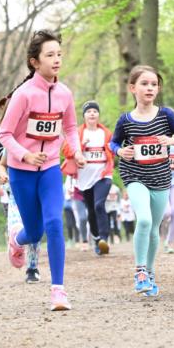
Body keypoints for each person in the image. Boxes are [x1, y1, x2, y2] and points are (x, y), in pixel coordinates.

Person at [0, 30, 84, 311]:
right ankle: (16, 239)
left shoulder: (64, 93)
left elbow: (70, 127)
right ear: (35, 62)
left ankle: (58, 291)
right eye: (50, 55)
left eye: (59, 54)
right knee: (33, 233)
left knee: (54, 224)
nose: (57, 59)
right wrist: (25, 154)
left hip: (49, 169)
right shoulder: (23, 95)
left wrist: (77, 150)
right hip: (21, 171)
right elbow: (4, 134)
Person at [111, 65, 174, 297]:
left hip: (160, 178)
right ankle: (139, 273)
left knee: (154, 228)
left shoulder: (166, 115)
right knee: (144, 220)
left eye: (154, 84)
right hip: (134, 175)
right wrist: (119, 152)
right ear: (132, 88)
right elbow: (113, 143)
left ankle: (150, 272)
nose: (149, 88)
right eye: (144, 84)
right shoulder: (125, 120)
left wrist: (173, 140)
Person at [0, 112, 42, 285]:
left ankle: (32, 268)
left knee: (35, 232)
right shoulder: (10, 143)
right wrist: (3, 175)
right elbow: (1, 165)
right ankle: (16, 243)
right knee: (18, 229)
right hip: (14, 197)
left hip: (35, 193)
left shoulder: (40, 142)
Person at [63, 101, 114, 256]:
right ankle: (97, 239)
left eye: (95, 111)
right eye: (89, 111)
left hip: (103, 175)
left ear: (98, 115)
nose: (92, 113)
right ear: (84, 115)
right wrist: (80, 146)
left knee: (99, 205)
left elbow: (114, 149)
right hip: (84, 178)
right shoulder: (78, 133)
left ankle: (104, 238)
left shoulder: (106, 133)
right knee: (91, 210)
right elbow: (65, 151)